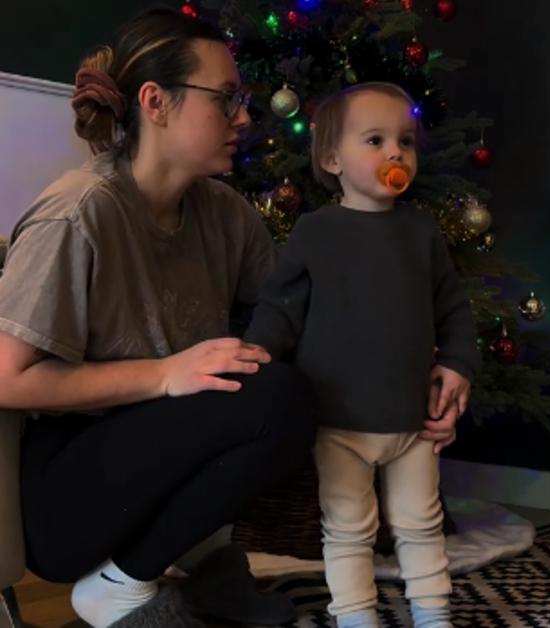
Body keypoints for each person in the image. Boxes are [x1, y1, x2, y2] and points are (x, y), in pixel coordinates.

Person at [0, 8, 328, 627]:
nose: (243, 116)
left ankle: (207, 577)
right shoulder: (78, 214)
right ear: (156, 101)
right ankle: (119, 586)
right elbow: (7, 378)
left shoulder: (227, 215)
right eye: (225, 98)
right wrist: (164, 374)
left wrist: (414, 375)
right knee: (276, 397)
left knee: (277, 386)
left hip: (156, 447)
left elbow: (289, 322)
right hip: (66, 492)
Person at [245, 82, 480, 628]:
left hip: (411, 418)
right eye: (375, 140)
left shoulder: (422, 233)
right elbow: (281, 307)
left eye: (405, 141)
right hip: (338, 421)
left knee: (420, 520)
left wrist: (458, 365)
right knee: (348, 524)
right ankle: (355, 616)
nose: (395, 152)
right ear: (332, 159)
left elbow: (455, 311)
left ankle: (433, 613)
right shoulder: (315, 231)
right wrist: (258, 353)